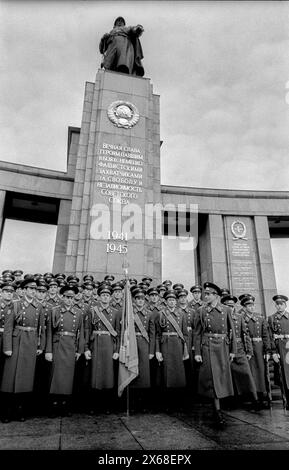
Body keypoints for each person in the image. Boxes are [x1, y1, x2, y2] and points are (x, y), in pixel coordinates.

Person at [0, 277, 45, 421]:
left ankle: (20, 410)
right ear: (24, 290)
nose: (33, 291)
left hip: (30, 343)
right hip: (16, 341)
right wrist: (7, 347)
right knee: (10, 377)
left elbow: (41, 329)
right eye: (30, 289)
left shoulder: (38, 307)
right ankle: (7, 411)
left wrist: (41, 346)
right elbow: (8, 328)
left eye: (35, 289)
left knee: (26, 377)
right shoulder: (15, 305)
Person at [194, 282, 237, 427]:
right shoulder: (201, 311)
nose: (205, 296)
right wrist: (197, 352)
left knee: (221, 378)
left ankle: (219, 407)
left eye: (208, 294)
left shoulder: (226, 310)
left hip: (223, 348)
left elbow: (233, 332)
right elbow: (197, 333)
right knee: (212, 379)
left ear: (216, 296)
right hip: (208, 347)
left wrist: (233, 350)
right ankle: (217, 411)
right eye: (204, 294)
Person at [45, 284, 84, 417]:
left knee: (68, 377)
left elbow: (82, 332)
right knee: (55, 376)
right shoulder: (54, 310)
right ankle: (53, 405)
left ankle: (65, 405)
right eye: (67, 297)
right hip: (57, 345)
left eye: (71, 298)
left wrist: (79, 350)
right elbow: (49, 331)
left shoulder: (78, 312)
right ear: (62, 297)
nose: (69, 300)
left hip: (71, 346)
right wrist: (48, 350)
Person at [84, 284, 120, 414]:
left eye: (107, 295)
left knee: (108, 375)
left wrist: (116, 351)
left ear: (110, 298)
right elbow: (88, 330)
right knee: (95, 374)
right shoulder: (92, 310)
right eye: (103, 295)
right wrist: (86, 348)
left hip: (109, 345)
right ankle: (94, 405)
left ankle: (107, 405)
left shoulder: (116, 312)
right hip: (96, 344)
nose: (105, 297)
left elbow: (118, 333)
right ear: (99, 297)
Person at [221, 294, 260, 411]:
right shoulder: (221, 317)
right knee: (230, 377)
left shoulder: (239, 317)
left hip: (239, 348)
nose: (231, 308)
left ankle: (254, 399)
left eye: (232, 306)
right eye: (228, 306)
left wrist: (249, 350)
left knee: (247, 374)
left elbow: (245, 334)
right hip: (227, 349)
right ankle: (232, 401)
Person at [156, 289, 189, 412]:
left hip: (177, 345)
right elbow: (158, 335)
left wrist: (184, 348)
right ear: (165, 301)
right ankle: (166, 402)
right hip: (165, 344)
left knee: (178, 373)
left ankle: (178, 401)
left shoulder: (181, 314)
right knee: (166, 373)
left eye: (173, 300)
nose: (172, 302)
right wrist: (158, 350)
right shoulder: (161, 314)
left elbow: (185, 334)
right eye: (169, 300)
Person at [240, 294, 271, 408]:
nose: (251, 307)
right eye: (248, 305)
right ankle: (254, 397)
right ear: (244, 307)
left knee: (261, 371)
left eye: (252, 305)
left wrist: (268, 350)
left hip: (259, 347)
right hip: (248, 347)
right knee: (251, 372)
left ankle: (262, 395)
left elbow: (265, 335)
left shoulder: (260, 318)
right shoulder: (241, 318)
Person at [130, 288, 155, 412]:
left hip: (145, 345)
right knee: (134, 372)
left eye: (142, 299)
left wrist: (151, 351)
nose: (140, 301)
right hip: (133, 345)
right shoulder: (130, 313)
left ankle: (143, 404)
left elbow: (152, 334)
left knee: (144, 375)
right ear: (134, 300)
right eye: (138, 299)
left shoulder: (149, 314)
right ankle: (133, 403)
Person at [268, 294, 289, 409]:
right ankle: (286, 400)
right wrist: (274, 352)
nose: (279, 306)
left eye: (281, 304)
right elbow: (270, 336)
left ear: (285, 305)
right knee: (282, 376)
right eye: (277, 304)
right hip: (279, 348)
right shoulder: (271, 318)